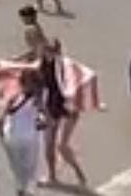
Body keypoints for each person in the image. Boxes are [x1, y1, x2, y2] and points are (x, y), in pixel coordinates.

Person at [39, 39, 92, 186]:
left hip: (68, 107)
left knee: (62, 145)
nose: (49, 53)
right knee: (48, 143)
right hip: (52, 106)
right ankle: (52, 176)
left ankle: (79, 173)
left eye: (52, 50)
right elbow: (42, 86)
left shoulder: (64, 67)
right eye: (47, 50)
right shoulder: (43, 65)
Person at [0, 68, 45, 196]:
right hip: (30, 139)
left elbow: (0, 119)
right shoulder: (39, 99)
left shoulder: (12, 97)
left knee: (18, 177)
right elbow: (45, 120)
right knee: (30, 177)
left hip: (12, 139)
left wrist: (2, 139)